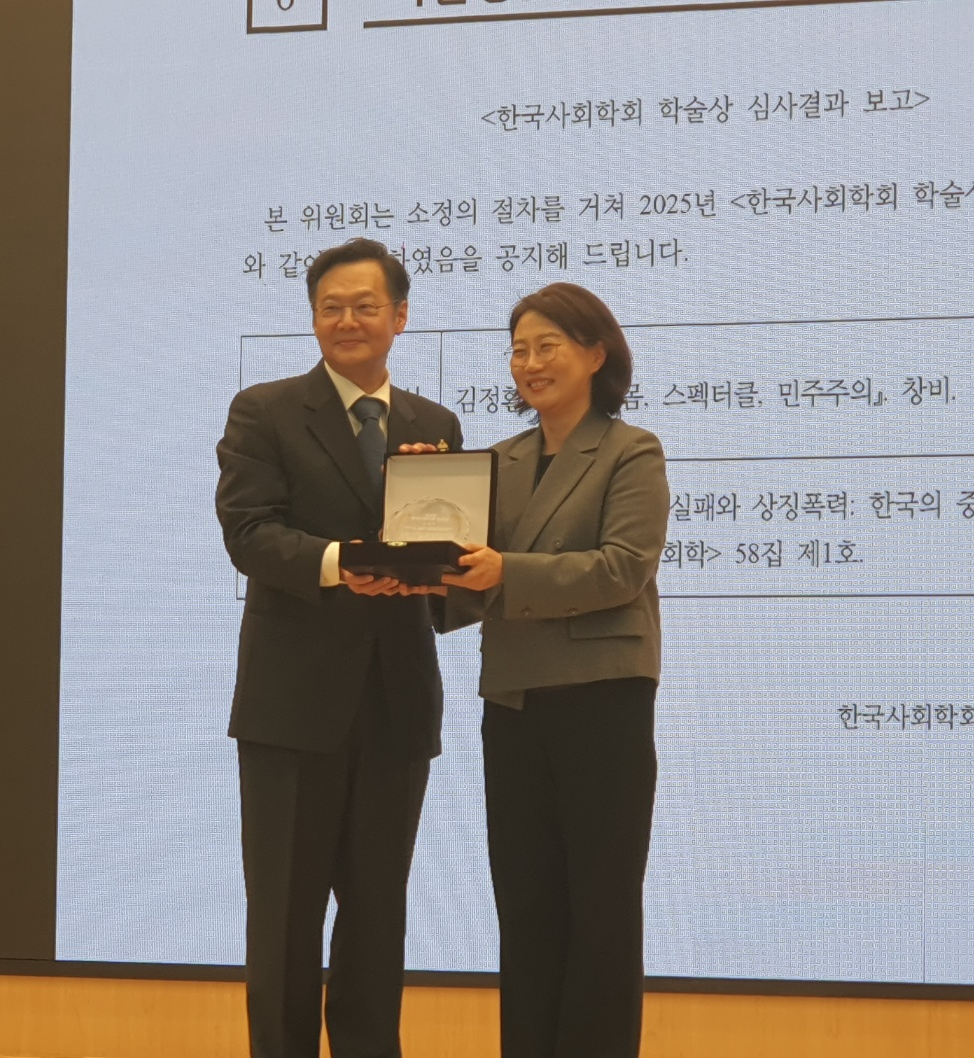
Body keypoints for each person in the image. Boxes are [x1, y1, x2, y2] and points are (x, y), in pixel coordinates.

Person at [215, 238, 463, 1058]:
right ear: (314, 317)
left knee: (378, 915)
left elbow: (452, 562)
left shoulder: (433, 426)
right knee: (284, 918)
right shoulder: (265, 410)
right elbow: (249, 534)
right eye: (331, 307)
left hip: (397, 702)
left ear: (400, 316)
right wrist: (341, 563)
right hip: (291, 706)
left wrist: (444, 548)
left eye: (364, 306)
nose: (347, 320)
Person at [438, 283, 669, 1057]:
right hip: (513, 700)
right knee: (526, 907)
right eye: (518, 349)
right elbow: (466, 579)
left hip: (602, 701)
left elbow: (621, 568)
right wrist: (420, 525)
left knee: (600, 909)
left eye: (547, 346)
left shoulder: (630, 450)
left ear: (595, 353)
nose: (529, 363)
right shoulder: (495, 461)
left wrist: (506, 571)